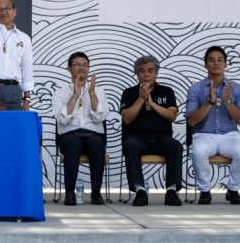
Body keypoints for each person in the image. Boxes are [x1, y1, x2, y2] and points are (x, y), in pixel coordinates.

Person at [186, 45, 240, 205]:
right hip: (204, 135)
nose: (216, 63)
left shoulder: (237, 89)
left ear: (225, 64)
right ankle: (205, 191)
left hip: (229, 136)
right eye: (211, 60)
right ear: (205, 64)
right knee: (198, 150)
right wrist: (210, 102)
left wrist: (227, 101)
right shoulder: (196, 89)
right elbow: (191, 121)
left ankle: (233, 190)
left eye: (220, 60)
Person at [119, 55, 183, 207]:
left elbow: (172, 116)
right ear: (137, 74)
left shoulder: (167, 91)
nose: (146, 75)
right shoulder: (128, 93)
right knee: (130, 145)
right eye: (142, 71)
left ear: (156, 73)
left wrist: (152, 104)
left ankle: (171, 191)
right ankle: (140, 191)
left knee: (175, 146)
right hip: (136, 138)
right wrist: (141, 99)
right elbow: (126, 119)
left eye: (150, 71)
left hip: (161, 139)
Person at [52, 52, 109, 206]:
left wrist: (91, 94)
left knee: (97, 144)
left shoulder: (99, 91)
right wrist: (76, 95)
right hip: (70, 134)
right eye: (77, 65)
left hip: (93, 134)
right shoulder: (60, 93)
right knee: (72, 143)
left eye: (85, 65)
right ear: (69, 69)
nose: (82, 68)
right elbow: (62, 119)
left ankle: (96, 193)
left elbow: (100, 117)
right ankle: (70, 192)